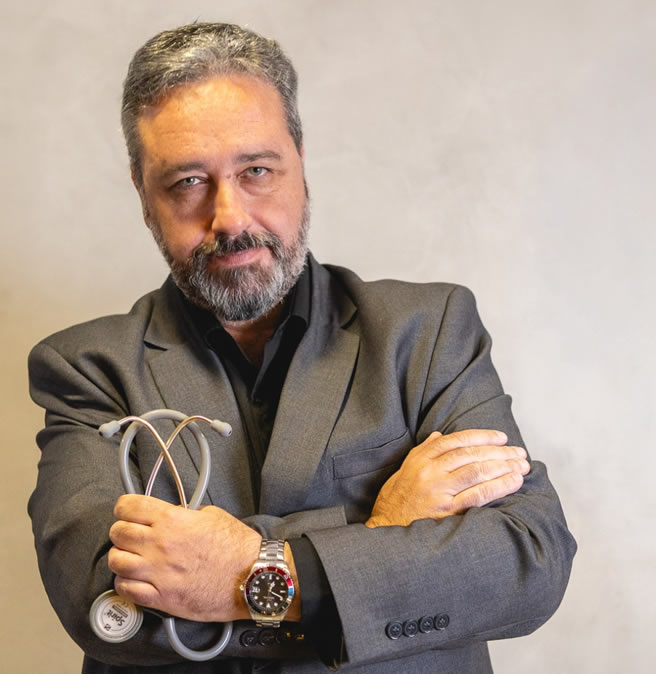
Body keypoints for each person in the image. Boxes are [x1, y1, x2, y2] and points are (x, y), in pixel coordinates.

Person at [28, 22, 576, 674]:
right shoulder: (88, 369)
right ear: (144, 194)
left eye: (257, 170)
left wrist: (247, 571)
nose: (230, 217)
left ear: (301, 162)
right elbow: (103, 605)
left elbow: (526, 559)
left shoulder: (430, 332)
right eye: (187, 182)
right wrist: (380, 531)